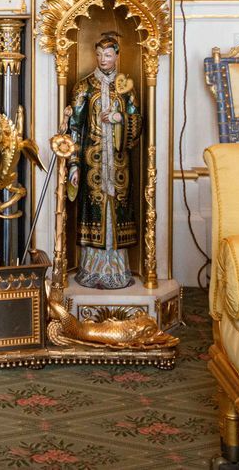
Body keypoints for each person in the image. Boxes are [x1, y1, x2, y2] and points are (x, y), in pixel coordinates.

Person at [63, 32, 142, 288]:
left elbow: (138, 120)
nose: (102, 59)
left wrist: (121, 119)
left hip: (119, 164)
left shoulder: (126, 85)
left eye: (108, 55)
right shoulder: (84, 86)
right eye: (98, 55)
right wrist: (73, 163)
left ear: (118, 56)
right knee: (94, 209)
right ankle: (92, 269)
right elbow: (73, 127)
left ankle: (117, 270)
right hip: (92, 163)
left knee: (117, 210)